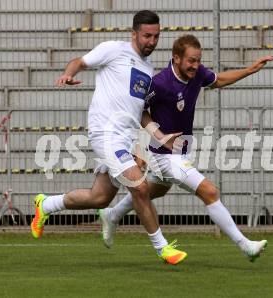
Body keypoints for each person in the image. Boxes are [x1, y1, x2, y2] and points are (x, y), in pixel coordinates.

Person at [98, 34, 273, 261]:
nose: (196, 65)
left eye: (198, 60)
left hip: (179, 150)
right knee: (209, 191)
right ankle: (245, 245)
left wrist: (249, 70)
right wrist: (145, 146)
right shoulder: (160, 83)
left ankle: (112, 215)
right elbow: (139, 111)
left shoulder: (197, 73)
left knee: (157, 190)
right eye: (191, 60)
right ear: (176, 58)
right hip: (165, 155)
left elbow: (217, 80)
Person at [30, 10, 187, 265]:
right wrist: (69, 74)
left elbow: (140, 113)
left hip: (124, 138)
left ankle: (46, 205)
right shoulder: (114, 49)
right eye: (147, 35)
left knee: (100, 197)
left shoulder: (147, 69)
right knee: (140, 186)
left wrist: (160, 138)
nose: (152, 41)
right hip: (105, 133)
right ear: (134, 33)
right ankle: (162, 248)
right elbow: (79, 61)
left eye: (156, 36)